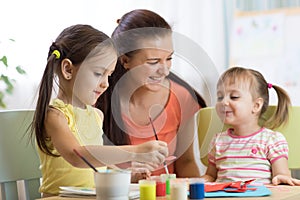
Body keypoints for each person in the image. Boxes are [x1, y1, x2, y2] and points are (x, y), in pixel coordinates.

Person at [30, 24, 168, 197]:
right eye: (98, 73)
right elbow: (78, 156)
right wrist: (136, 151)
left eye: (108, 75)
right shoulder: (55, 115)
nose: (105, 83)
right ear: (68, 70)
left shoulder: (96, 115)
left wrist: (127, 175)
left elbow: (99, 165)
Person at [96, 9, 207, 182]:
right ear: (125, 60)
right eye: (153, 62)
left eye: (169, 58)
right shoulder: (99, 100)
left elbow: (186, 162)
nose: (164, 70)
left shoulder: (182, 97)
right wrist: (128, 177)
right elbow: (89, 167)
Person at [202, 66, 300, 186]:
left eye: (234, 97)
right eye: (220, 97)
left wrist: (281, 178)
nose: (224, 102)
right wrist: (197, 180)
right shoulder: (218, 141)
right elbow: (211, 176)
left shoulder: (271, 140)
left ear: (256, 105)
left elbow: (281, 174)